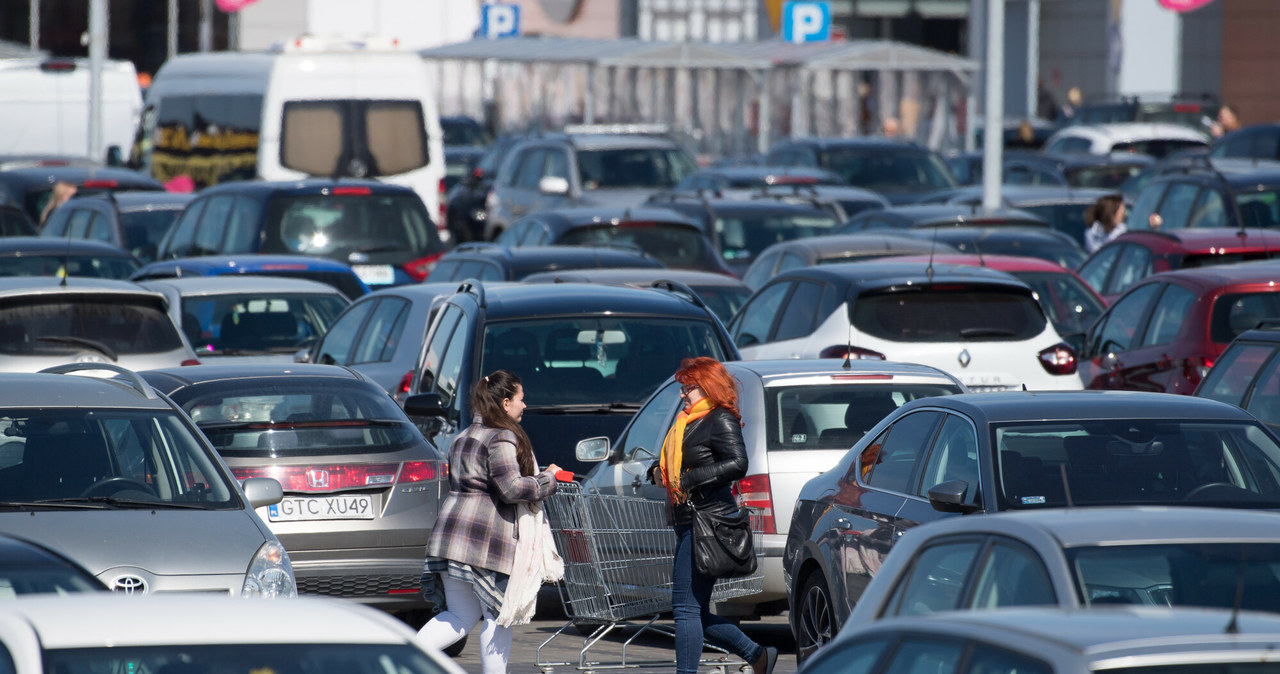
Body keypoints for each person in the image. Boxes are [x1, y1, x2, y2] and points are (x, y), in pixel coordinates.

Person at [417, 370, 562, 674]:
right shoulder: (502, 437)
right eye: (521, 399)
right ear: (506, 402)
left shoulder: (462, 436)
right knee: (498, 615)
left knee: (459, 616)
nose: (525, 405)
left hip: (450, 535)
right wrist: (548, 479)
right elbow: (511, 489)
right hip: (485, 539)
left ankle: (402, 659)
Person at [647, 357, 776, 674]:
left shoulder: (720, 418)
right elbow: (679, 462)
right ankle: (758, 656)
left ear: (705, 386)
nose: (682, 394)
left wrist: (690, 479)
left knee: (685, 608)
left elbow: (738, 462)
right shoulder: (686, 422)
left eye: (686, 387)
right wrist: (659, 472)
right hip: (688, 520)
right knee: (697, 611)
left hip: (707, 522)